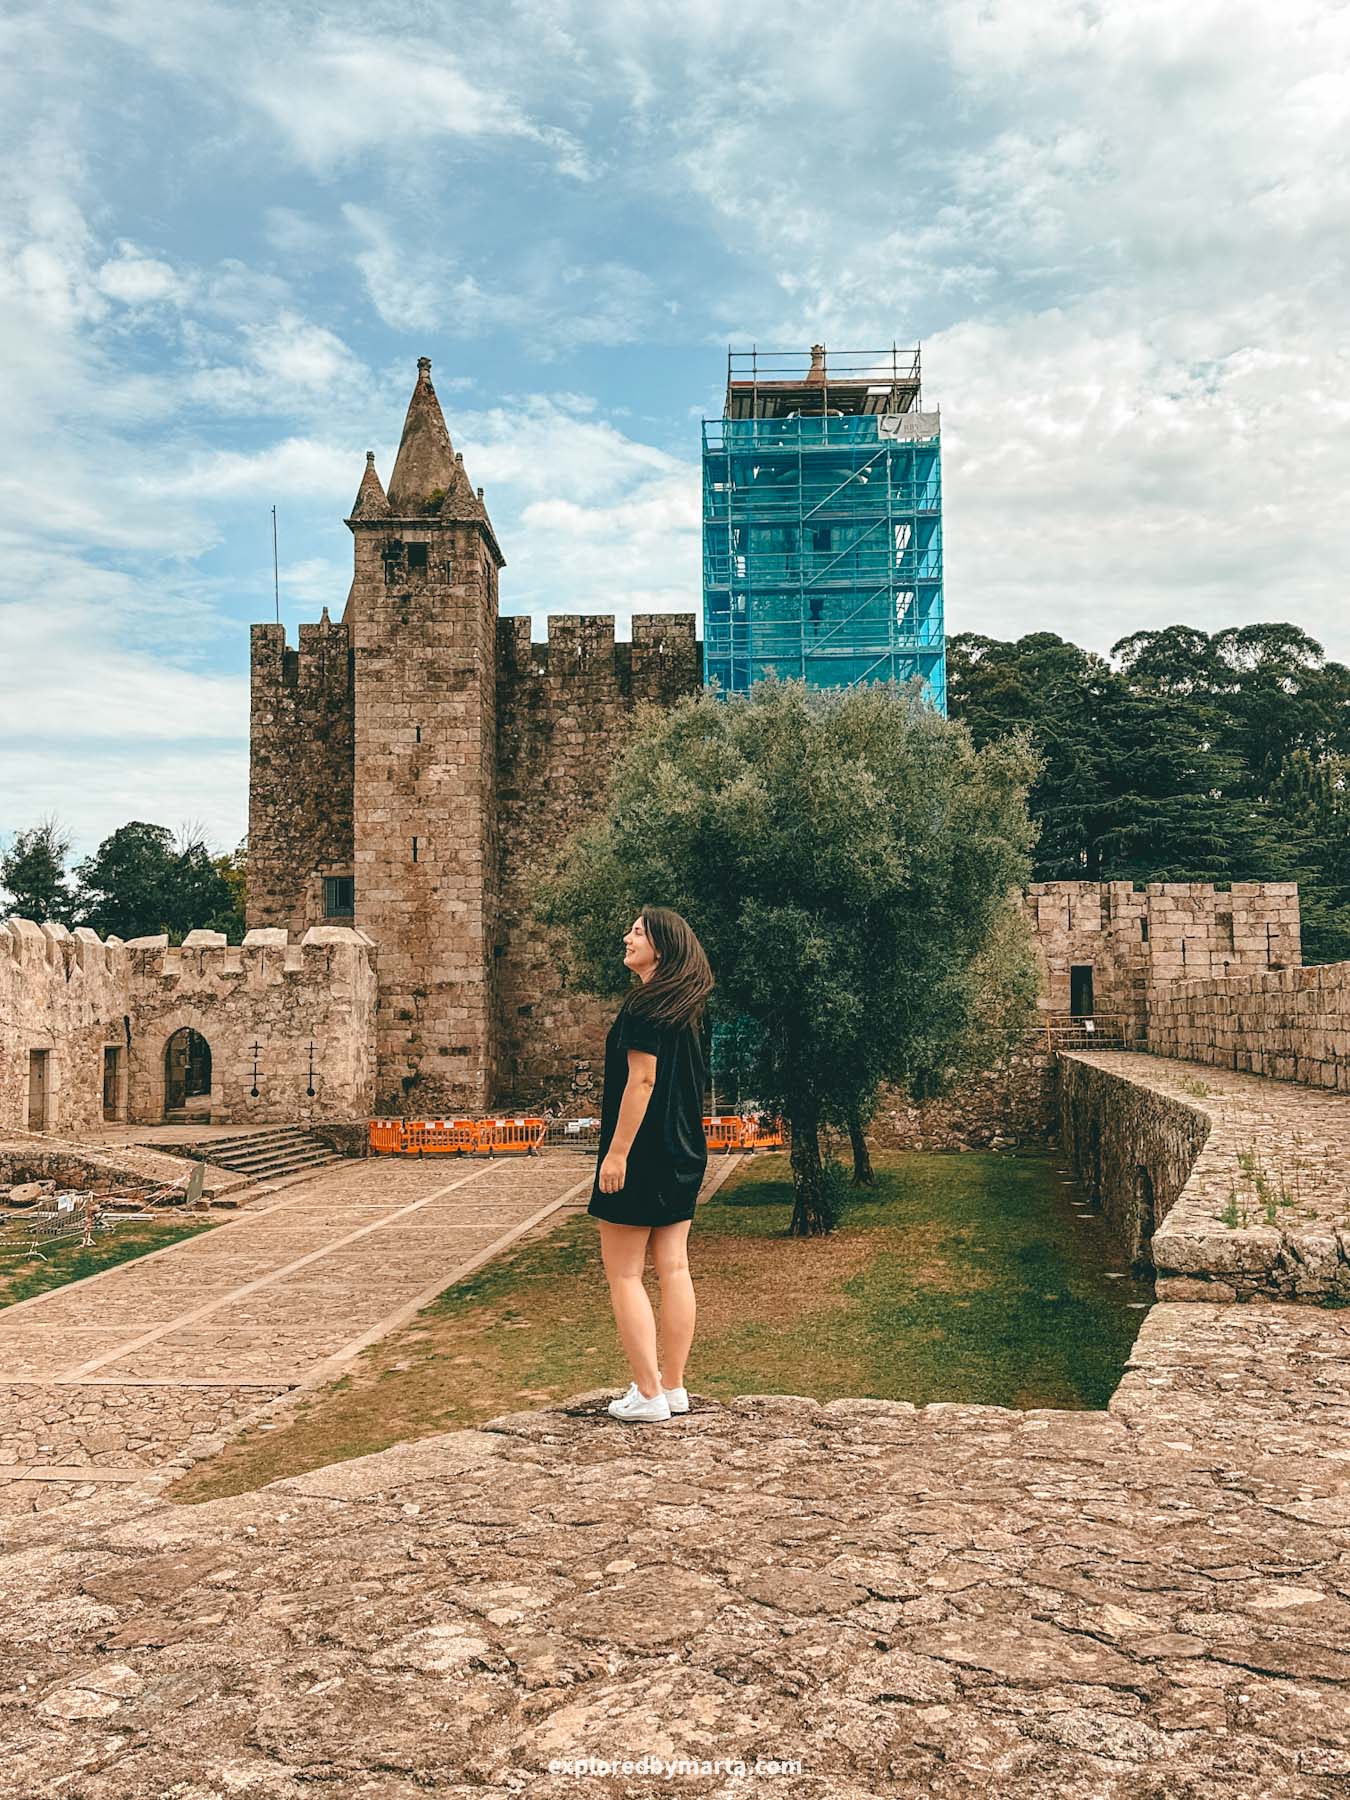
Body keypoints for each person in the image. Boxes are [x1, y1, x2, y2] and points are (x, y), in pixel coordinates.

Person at [588, 906, 714, 1423]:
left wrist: (616, 1154)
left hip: (641, 1151)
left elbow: (641, 1082)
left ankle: (647, 1393)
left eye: (637, 932)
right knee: (675, 1266)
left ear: (660, 946)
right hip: (684, 1149)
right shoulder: (686, 1007)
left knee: (623, 1274)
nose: (627, 937)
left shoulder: (643, 1006)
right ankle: (674, 1387)